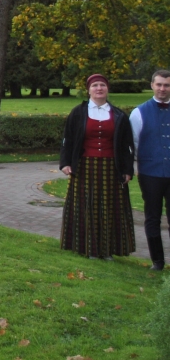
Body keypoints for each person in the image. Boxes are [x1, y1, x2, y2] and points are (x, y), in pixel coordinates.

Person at [59, 73, 136, 259]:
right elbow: (67, 140)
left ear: (107, 89)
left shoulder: (118, 115)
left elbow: (127, 145)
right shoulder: (78, 112)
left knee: (109, 207)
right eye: (95, 86)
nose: (99, 88)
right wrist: (65, 163)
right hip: (85, 166)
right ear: (88, 90)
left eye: (102, 85)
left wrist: (127, 170)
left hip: (112, 167)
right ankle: (88, 248)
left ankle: (107, 249)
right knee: (87, 206)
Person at [129, 69, 170, 270]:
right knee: (152, 217)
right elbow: (133, 144)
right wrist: (137, 167)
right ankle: (158, 261)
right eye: (159, 84)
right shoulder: (138, 112)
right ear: (152, 85)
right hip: (150, 173)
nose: (163, 88)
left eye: (167, 85)